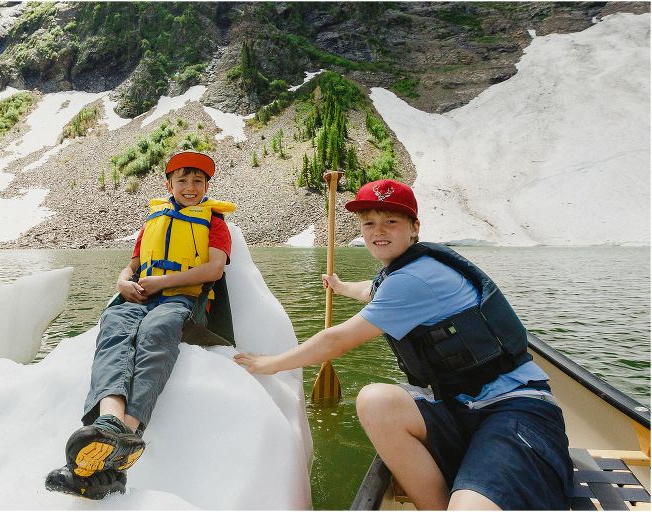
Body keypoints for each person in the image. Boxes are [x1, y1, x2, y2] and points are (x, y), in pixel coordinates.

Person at [235, 179, 572, 510]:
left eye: (391, 221)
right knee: (376, 401)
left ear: (414, 228)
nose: (378, 231)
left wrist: (271, 363)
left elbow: (336, 341)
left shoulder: (414, 279)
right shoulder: (405, 272)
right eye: (369, 223)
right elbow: (373, 289)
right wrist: (340, 286)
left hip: (513, 408)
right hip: (460, 407)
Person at [46, 151, 235, 499]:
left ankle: (128, 431)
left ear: (208, 185)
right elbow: (132, 265)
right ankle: (109, 422)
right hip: (139, 296)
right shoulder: (154, 219)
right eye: (182, 180)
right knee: (115, 327)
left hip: (180, 300)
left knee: (155, 333)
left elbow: (213, 269)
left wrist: (162, 284)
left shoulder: (215, 222)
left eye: (198, 181)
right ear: (169, 184)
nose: (190, 187)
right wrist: (121, 282)